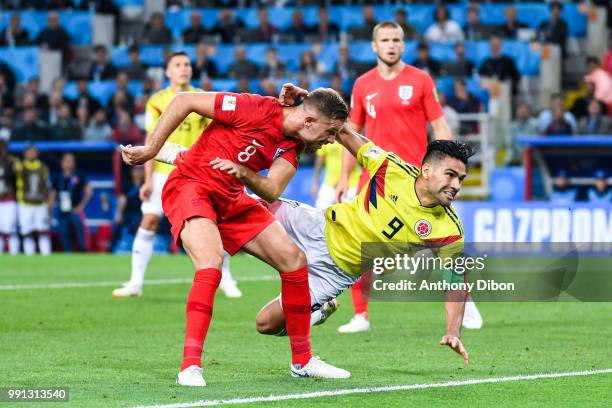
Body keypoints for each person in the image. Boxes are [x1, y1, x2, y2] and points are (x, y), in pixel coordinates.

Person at [120, 85, 350, 385]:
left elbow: (273, 189)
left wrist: (244, 174)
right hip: (192, 184)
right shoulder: (255, 107)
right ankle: (189, 366)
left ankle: (302, 361)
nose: (332, 140)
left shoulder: (294, 145)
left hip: (231, 195)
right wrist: (151, 150)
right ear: (308, 121)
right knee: (211, 263)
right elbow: (186, 99)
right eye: (331, 132)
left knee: (294, 260)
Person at [253, 129, 473, 365]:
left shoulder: (448, 228)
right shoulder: (392, 169)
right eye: (450, 175)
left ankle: (320, 310)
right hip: (317, 225)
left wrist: (453, 331)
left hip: (336, 272)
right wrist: (312, 106)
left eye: (460, 179)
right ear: (427, 170)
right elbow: (348, 134)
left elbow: (456, 282)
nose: (456, 185)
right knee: (244, 207)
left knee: (266, 323)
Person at [335, 21, 481, 333]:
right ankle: (360, 315)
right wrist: (343, 178)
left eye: (397, 40)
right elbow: (352, 134)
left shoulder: (421, 80)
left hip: (418, 179)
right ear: (374, 46)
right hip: (375, 176)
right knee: (361, 243)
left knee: (442, 244)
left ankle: (463, 299)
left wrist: (450, 166)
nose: (391, 45)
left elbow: (439, 125)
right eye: (385, 40)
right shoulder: (362, 84)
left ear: (403, 44)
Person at [112, 52, 241, 300]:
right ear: (168, 72)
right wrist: (148, 179)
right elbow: (151, 140)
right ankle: (135, 282)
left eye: (187, 65)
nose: (183, 69)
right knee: (149, 220)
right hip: (163, 171)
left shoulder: (203, 98)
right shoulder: (157, 101)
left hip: (198, 172)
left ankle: (226, 278)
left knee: (216, 226)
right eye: (178, 65)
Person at [49, 153, 92, 252]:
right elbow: (52, 196)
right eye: (67, 161)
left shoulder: (80, 175)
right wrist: (49, 211)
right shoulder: (57, 177)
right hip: (62, 211)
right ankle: (69, 256)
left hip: (75, 210)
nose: (69, 163)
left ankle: (84, 254)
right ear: (62, 163)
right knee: (64, 236)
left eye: (71, 161)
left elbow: (89, 192)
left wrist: (81, 206)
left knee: (81, 236)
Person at [16, 145, 51, 255]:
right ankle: (29, 255)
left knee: (42, 230)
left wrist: (47, 202)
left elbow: (46, 186)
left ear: (37, 153)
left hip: (40, 204)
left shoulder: (42, 167)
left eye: (33, 151)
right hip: (25, 204)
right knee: (26, 231)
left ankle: (46, 254)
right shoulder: (20, 167)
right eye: (28, 151)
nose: (31, 154)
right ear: (24, 153)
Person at [311, 142, 359, 210]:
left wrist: (342, 180)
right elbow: (319, 161)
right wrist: (314, 183)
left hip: (350, 185)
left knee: (348, 215)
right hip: (329, 183)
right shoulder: (327, 137)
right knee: (320, 211)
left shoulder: (349, 136)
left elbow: (354, 159)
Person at [0, 140, 20, 255]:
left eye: (3, 148)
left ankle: (14, 254)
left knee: (11, 229)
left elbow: (19, 175)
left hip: (9, 200)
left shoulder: (12, 162)